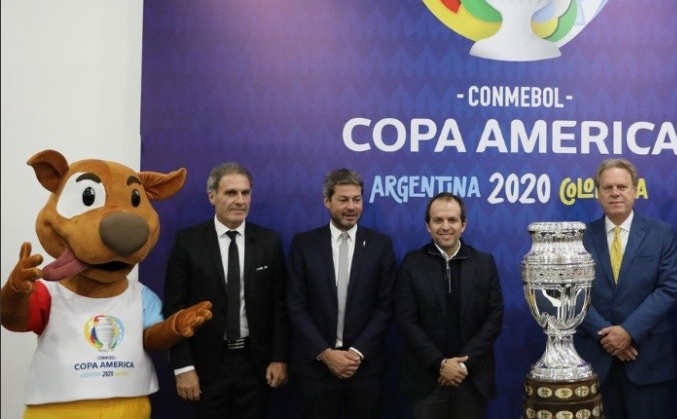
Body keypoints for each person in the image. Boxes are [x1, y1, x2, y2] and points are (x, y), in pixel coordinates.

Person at [163, 162, 289, 419]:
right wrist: (182, 366)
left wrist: (279, 357)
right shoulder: (188, 242)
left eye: (246, 193)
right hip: (206, 364)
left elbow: (279, 305)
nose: (240, 200)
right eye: (231, 193)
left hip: (256, 363)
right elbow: (174, 308)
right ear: (212, 196)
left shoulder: (269, 242)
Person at [574, 158, 677, 419]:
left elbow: (668, 288)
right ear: (597, 193)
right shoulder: (580, 237)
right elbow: (574, 293)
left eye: (622, 186)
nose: (615, 193)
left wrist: (628, 332)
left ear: (635, 190)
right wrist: (607, 337)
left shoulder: (661, 233)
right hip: (597, 359)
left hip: (647, 360)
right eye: (607, 187)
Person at [287, 168, 396, 419]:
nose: (351, 207)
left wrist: (356, 353)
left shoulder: (381, 245)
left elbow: (385, 305)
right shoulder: (304, 244)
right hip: (316, 367)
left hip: (364, 367)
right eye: (343, 199)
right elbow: (295, 305)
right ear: (327, 201)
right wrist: (325, 353)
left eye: (356, 200)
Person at [394, 192, 504, 419]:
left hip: (471, 378)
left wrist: (463, 365)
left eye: (452, 220)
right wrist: (440, 364)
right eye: (438, 220)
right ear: (428, 226)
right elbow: (407, 321)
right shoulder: (412, 263)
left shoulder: (484, 263)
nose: (445, 227)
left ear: (464, 224)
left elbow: (494, 318)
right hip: (428, 379)